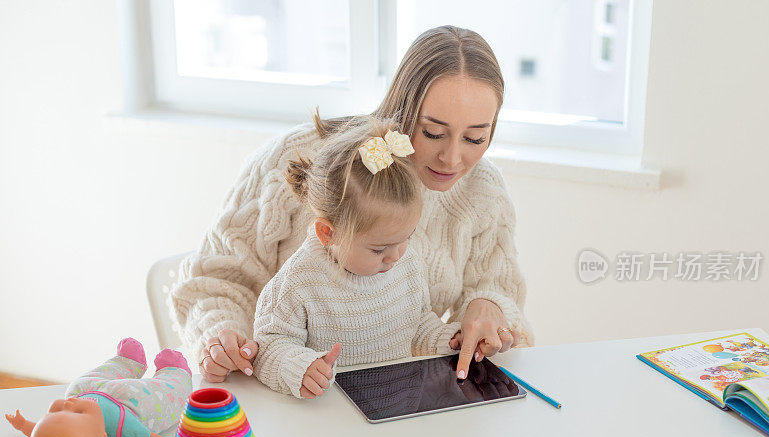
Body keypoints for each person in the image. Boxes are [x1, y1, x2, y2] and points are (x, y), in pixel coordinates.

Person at [169, 25, 531, 383]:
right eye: (433, 132)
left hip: (392, 399)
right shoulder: (305, 158)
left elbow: (497, 291)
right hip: (285, 397)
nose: (452, 159)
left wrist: (489, 308)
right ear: (403, 109)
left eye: (475, 137)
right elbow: (214, 281)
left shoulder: (483, 191)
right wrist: (223, 340)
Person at [253, 115, 462, 398]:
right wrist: (300, 367)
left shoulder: (405, 262)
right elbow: (268, 347)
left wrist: (450, 341)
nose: (395, 256)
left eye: (405, 239)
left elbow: (418, 325)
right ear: (328, 233)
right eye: (378, 249)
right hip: (329, 420)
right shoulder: (299, 281)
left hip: (397, 405)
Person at [5, 338, 192, 437]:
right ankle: (174, 373)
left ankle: (127, 362)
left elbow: (37, 430)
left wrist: (23, 425)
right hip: (128, 400)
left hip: (88, 388)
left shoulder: (72, 405)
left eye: (56, 411)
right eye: (78, 412)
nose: (68, 404)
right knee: (165, 396)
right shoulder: (122, 427)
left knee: (79, 384)